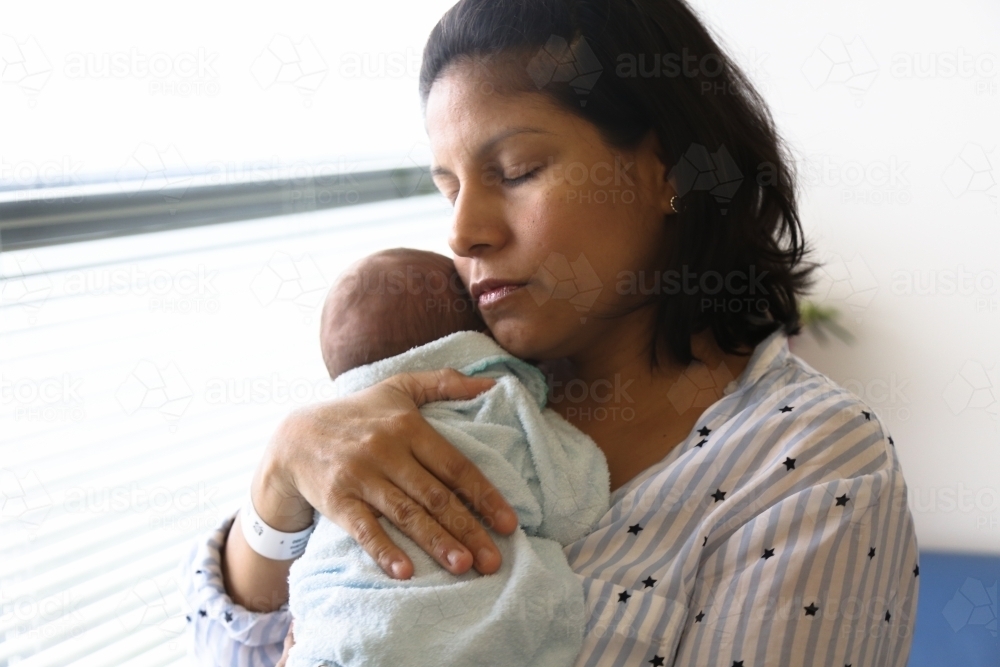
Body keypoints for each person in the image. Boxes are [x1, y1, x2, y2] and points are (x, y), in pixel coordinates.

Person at [179, 1, 920, 665]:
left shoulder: (811, 466)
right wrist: (279, 482)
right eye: (449, 188)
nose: (464, 232)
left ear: (670, 170)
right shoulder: (449, 396)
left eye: (517, 169)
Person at [284, 247, 610, 666]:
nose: (462, 233)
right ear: (473, 342)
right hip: (463, 643)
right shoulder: (492, 407)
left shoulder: (334, 452)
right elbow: (575, 507)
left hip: (337, 629)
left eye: (518, 176)